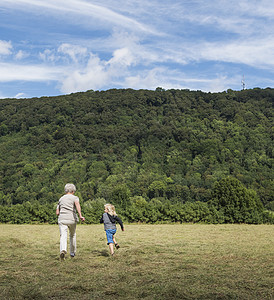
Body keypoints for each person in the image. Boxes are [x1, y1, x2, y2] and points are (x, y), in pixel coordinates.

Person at [56, 183, 85, 260]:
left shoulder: (61, 198)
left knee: (63, 235)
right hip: (72, 219)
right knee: (72, 235)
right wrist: (80, 215)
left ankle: (63, 250)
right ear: (73, 191)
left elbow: (57, 212)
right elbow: (77, 205)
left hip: (62, 219)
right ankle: (72, 253)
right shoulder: (75, 198)